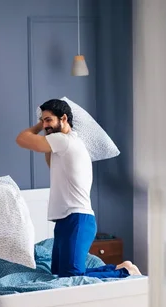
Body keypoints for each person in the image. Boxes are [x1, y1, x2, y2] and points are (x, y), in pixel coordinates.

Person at [16, 99, 140, 278]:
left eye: (48, 120)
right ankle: (121, 268)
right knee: (60, 274)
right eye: (42, 121)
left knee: (72, 277)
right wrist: (48, 127)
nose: (45, 125)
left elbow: (22, 139)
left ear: (64, 118)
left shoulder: (64, 140)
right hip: (65, 220)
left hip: (78, 218)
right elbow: (50, 161)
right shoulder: (64, 144)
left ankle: (124, 273)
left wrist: (37, 126)